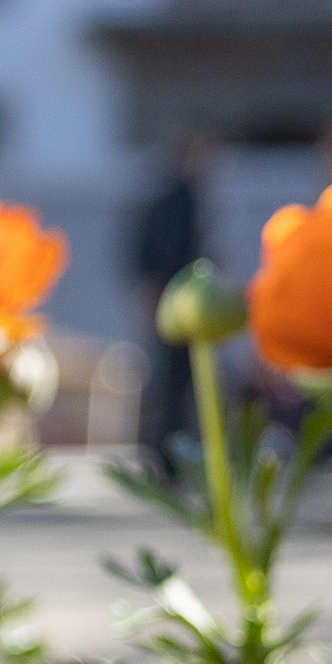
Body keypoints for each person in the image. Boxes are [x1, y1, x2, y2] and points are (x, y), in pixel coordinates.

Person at [128, 134, 210, 458]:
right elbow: (160, 249)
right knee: (173, 378)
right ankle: (166, 450)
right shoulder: (176, 198)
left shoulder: (178, 196)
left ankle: (171, 447)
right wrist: (153, 285)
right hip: (179, 299)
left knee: (179, 378)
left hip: (178, 297)